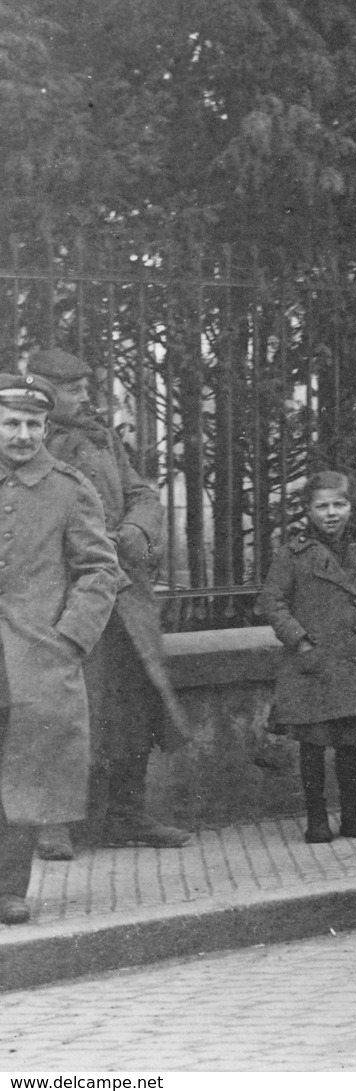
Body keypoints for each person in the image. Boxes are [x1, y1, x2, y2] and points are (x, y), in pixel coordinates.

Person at [22, 349, 190, 861]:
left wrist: (138, 527)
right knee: (66, 709)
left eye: (85, 387)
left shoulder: (102, 437)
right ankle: (54, 823)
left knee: (134, 703)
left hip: (122, 595)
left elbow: (142, 491)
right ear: (43, 389)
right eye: (73, 389)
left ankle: (127, 814)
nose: (85, 397)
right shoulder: (26, 441)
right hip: (63, 598)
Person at [0, 372, 120, 925]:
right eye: (10, 423)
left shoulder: (69, 489)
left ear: (46, 428)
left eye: (32, 424)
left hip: (34, 659)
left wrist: (69, 637)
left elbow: (99, 570)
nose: (21, 434)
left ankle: (8, 889)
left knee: (25, 775)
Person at [257, 471, 356, 844]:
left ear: (350, 506)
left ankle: (352, 816)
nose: (332, 513)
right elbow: (271, 602)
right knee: (314, 745)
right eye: (322, 506)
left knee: (350, 746)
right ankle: (317, 818)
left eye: (340, 504)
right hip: (313, 664)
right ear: (308, 511)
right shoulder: (294, 553)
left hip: (352, 662)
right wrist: (300, 642)